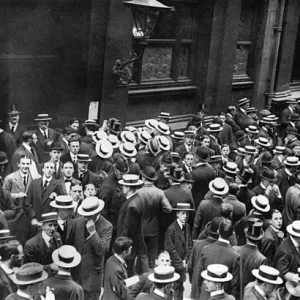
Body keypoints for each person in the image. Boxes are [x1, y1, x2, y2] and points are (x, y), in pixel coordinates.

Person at [73, 197, 113, 300]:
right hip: (76, 275)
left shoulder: (107, 226)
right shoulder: (77, 222)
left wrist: (93, 233)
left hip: (92, 277)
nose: (85, 218)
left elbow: (102, 250)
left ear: (97, 212)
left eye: (89, 216)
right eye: (84, 215)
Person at [197, 219, 240, 300]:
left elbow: (199, 277)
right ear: (232, 235)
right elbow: (235, 286)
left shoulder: (205, 250)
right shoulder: (235, 256)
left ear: (218, 231)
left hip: (204, 295)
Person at [138, 166, 172, 268]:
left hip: (140, 228)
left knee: (142, 255)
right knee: (153, 254)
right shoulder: (159, 192)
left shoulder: (138, 192)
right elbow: (168, 209)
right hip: (154, 227)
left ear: (143, 178)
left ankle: (144, 275)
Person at [117, 175, 147, 276]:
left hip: (128, 246)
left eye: (124, 186)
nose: (122, 188)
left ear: (129, 188)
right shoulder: (137, 199)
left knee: (129, 273)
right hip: (134, 244)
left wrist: (120, 245)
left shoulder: (131, 206)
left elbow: (128, 230)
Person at [165, 203, 193, 300]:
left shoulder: (187, 227)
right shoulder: (171, 229)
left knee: (180, 288)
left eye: (187, 214)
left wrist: (186, 259)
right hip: (175, 264)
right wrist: (180, 263)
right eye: (183, 213)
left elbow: (189, 244)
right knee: (174, 288)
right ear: (177, 214)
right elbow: (170, 249)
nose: (185, 216)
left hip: (183, 263)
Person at [189, 217, 222, 299]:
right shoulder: (219, 249)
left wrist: (192, 280)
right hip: (211, 291)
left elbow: (190, 266)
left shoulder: (197, 244)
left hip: (196, 288)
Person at [3, 155, 32, 245]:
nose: (25, 166)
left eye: (27, 163)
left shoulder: (34, 178)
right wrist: (16, 195)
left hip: (29, 214)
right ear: (18, 164)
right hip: (15, 216)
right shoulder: (10, 178)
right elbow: (3, 197)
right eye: (23, 163)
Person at [233, 219, 267, 296]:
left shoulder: (235, 249)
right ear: (259, 239)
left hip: (233, 294)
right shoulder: (262, 259)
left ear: (246, 235)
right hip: (248, 295)